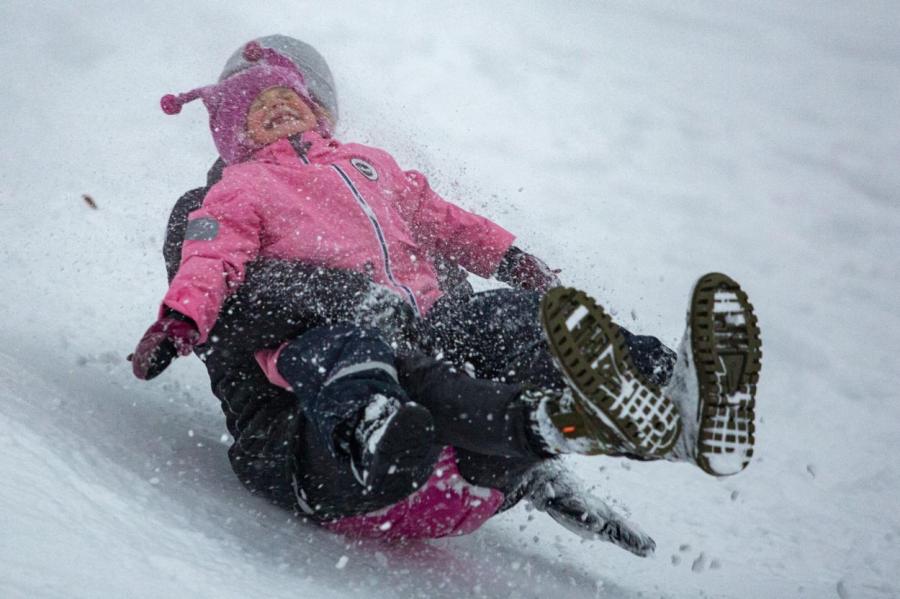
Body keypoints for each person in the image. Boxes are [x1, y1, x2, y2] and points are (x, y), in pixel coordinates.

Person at [132, 36, 762, 555]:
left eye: (289, 98)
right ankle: (385, 427)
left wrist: (514, 267)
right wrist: (184, 323)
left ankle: (664, 389)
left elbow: (450, 251)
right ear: (228, 127)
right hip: (322, 454)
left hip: (468, 457)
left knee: (505, 319)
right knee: (381, 358)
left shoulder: (374, 182)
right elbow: (229, 303)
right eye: (256, 105)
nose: (275, 110)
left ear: (322, 111)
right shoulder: (216, 203)